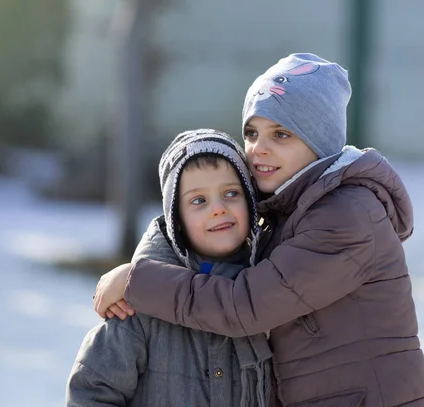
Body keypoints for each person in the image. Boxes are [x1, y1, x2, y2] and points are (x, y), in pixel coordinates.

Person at [93, 53, 424, 407]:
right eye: (251, 133)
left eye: (281, 134)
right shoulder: (287, 210)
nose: (259, 149)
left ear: (320, 142)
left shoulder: (347, 216)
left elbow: (245, 305)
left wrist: (139, 280)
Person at [68, 129, 272, 407]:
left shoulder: (266, 291)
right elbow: (91, 391)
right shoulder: (141, 303)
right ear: (177, 220)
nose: (218, 208)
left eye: (231, 193)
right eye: (199, 200)